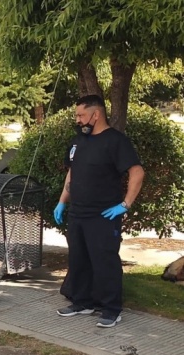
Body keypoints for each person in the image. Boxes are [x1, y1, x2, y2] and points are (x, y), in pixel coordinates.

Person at [54, 95, 144, 328]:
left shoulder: (115, 141)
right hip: (77, 213)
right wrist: (62, 201)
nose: (78, 120)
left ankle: (112, 309)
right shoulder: (77, 142)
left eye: (81, 115)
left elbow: (137, 172)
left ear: (96, 114)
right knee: (78, 259)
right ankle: (83, 302)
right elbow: (72, 173)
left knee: (105, 262)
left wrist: (125, 205)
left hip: (104, 215)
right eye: (76, 116)